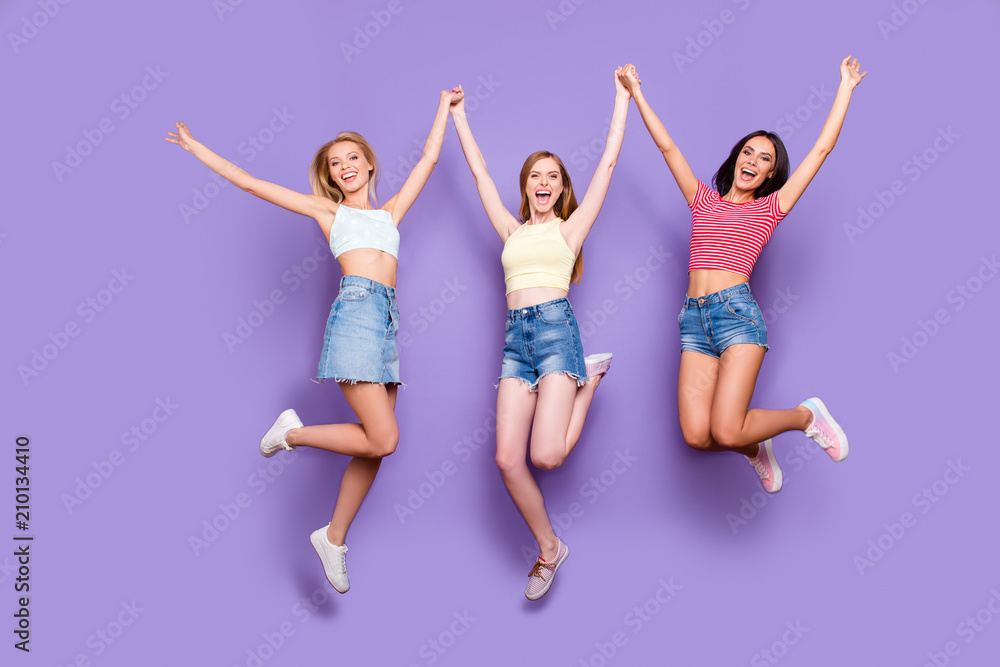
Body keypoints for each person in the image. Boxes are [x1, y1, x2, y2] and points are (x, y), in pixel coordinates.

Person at [165, 88, 462, 592]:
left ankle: (334, 538)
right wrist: (198, 150)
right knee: (385, 438)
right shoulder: (331, 214)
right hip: (355, 317)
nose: (344, 166)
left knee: (373, 448)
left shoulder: (389, 213)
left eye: (352, 157)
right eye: (334, 164)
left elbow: (430, 158)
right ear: (330, 177)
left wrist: (443, 108)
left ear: (369, 164)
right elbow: (252, 184)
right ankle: (293, 433)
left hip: (386, 323)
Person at [619, 57, 865, 493]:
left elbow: (821, 151)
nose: (753, 160)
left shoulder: (769, 209)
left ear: (771, 173)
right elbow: (668, 148)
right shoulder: (702, 200)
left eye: (764, 158)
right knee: (697, 436)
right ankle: (756, 448)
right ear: (736, 160)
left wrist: (844, 88)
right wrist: (636, 92)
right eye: (748, 151)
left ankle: (806, 416)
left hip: (737, 319)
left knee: (728, 429)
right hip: (694, 322)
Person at [448, 68, 629, 599]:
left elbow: (609, 164)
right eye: (535, 176)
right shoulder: (511, 229)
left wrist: (620, 98)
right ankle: (550, 549)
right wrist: (459, 117)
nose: (544, 182)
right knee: (507, 459)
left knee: (547, 456)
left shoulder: (570, 229)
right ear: (525, 186)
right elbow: (480, 176)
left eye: (553, 175)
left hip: (554, 335)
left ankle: (588, 381)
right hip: (515, 344)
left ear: (562, 186)